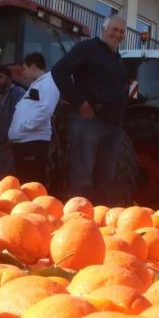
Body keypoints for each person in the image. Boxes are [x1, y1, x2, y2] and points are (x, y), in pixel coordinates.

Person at [51, 16, 128, 203]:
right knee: (82, 175)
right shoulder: (87, 48)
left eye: (121, 32)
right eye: (114, 29)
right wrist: (80, 103)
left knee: (106, 178)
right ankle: (78, 221)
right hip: (89, 123)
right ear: (103, 29)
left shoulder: (117, 59)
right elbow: (59, 71)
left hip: (113, 126)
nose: (117, 34)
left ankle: (99, 222)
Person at [8, 52, 59, 185]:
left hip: (33, 142)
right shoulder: (38, 84)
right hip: (26, 141)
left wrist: (25, 127)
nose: (23, 73)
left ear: (34, 66)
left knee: (32, 184)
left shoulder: (49, 82)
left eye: (24, 68)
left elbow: (46, 109)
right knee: (26, 183)